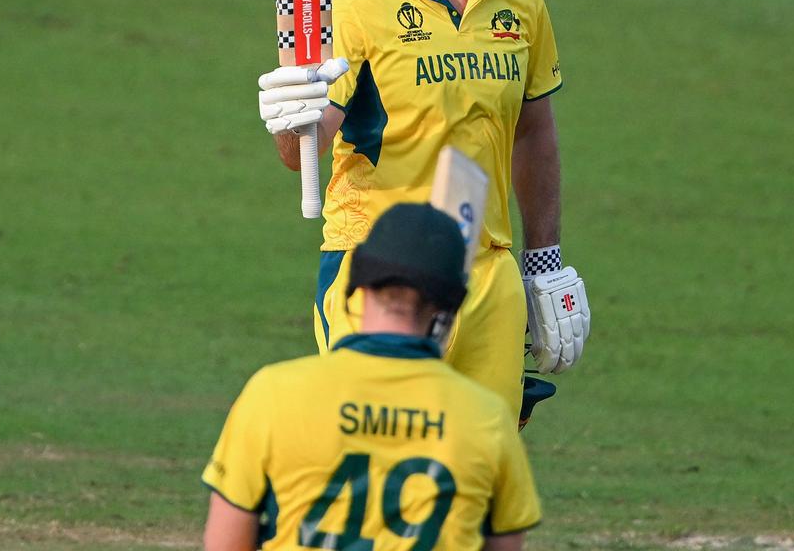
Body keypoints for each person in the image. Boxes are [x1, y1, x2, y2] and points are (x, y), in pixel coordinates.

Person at [257, 0, 589, 423]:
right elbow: (303, 149)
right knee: (381, 458)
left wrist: (544, 261)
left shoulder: (522, 1)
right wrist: (291, 120)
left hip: (486, 272)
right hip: (379, 268)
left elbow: (534, 133)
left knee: (482, 477)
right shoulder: (356, 7)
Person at [202, 203, 541, 551]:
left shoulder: (272, 393)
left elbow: (225, 542)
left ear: (356, 284)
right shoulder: (486, 418)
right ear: (450, 306)